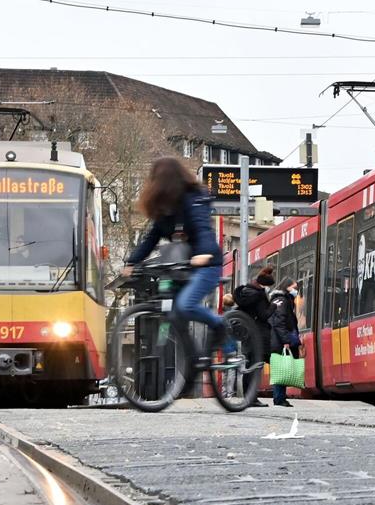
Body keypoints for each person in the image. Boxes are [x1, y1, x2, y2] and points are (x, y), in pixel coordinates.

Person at [123, 157, 226, 356]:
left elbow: (202, 227)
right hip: (183, 267)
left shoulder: (193, 199)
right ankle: (191, 363)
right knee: (174, 313)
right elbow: (150, 239)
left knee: (185, 305)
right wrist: (132, 262)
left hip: (207, 264)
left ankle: (218, 324)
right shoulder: (165, 211)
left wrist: (203, 254)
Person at [234, 267, 275, 407]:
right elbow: (264, 315)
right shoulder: (258, 295)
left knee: (250, 364)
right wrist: (273, 306)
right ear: (264, 285)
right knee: (256, 365)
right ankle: (252, 397)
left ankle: (248, 396)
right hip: (257, 333)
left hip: (247, 332)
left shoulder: (247, 292)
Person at [268, 277, 300, 408]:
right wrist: (286, 341)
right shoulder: (282, 301)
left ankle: (280, 397)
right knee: (281, 369)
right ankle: (279, 398)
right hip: (279, 341)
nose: (296, 290)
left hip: (279, 340)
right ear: (287, 287)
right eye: (294, 287)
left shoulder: (284, 300)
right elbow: (279, 323)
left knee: (283, 369)